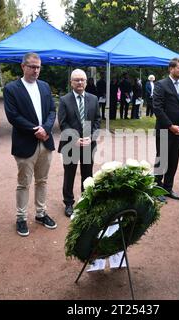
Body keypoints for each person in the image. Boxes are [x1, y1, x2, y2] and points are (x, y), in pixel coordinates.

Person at [3, 52, 57, 237]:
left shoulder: (44, 86)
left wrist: (46, 129)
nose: (36, 70)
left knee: (42, 181)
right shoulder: (11, 88)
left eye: (38, 67)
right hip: (26, 142)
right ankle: (21, 218)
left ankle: (41, 214)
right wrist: (37, 129)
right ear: (23, 66)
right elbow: (13, 116)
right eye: (32, 66)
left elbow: (52, 110)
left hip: (45, 141)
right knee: (23, 183)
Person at [58, 69, 101, 217]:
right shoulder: (64, 100)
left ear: (86, 82)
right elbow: (62, 123)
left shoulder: (94, 99)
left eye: (82, 79)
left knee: (87, 175)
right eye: (76, 80)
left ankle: (85, 200)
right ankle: (69, 203)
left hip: (89, 144)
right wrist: (75, 138)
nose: (80, 82)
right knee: (69, 175)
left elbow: (97, 120)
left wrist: (92, 137)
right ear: (71, 82)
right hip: (71, 144)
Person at [153, 58, 179, 202]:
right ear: (171, 69)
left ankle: (168, 188)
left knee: (173, 160)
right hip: (165, 129)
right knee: (162, 159)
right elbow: (157, 108)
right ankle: (157, 189)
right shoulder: (161, 85)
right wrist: (170, 126)